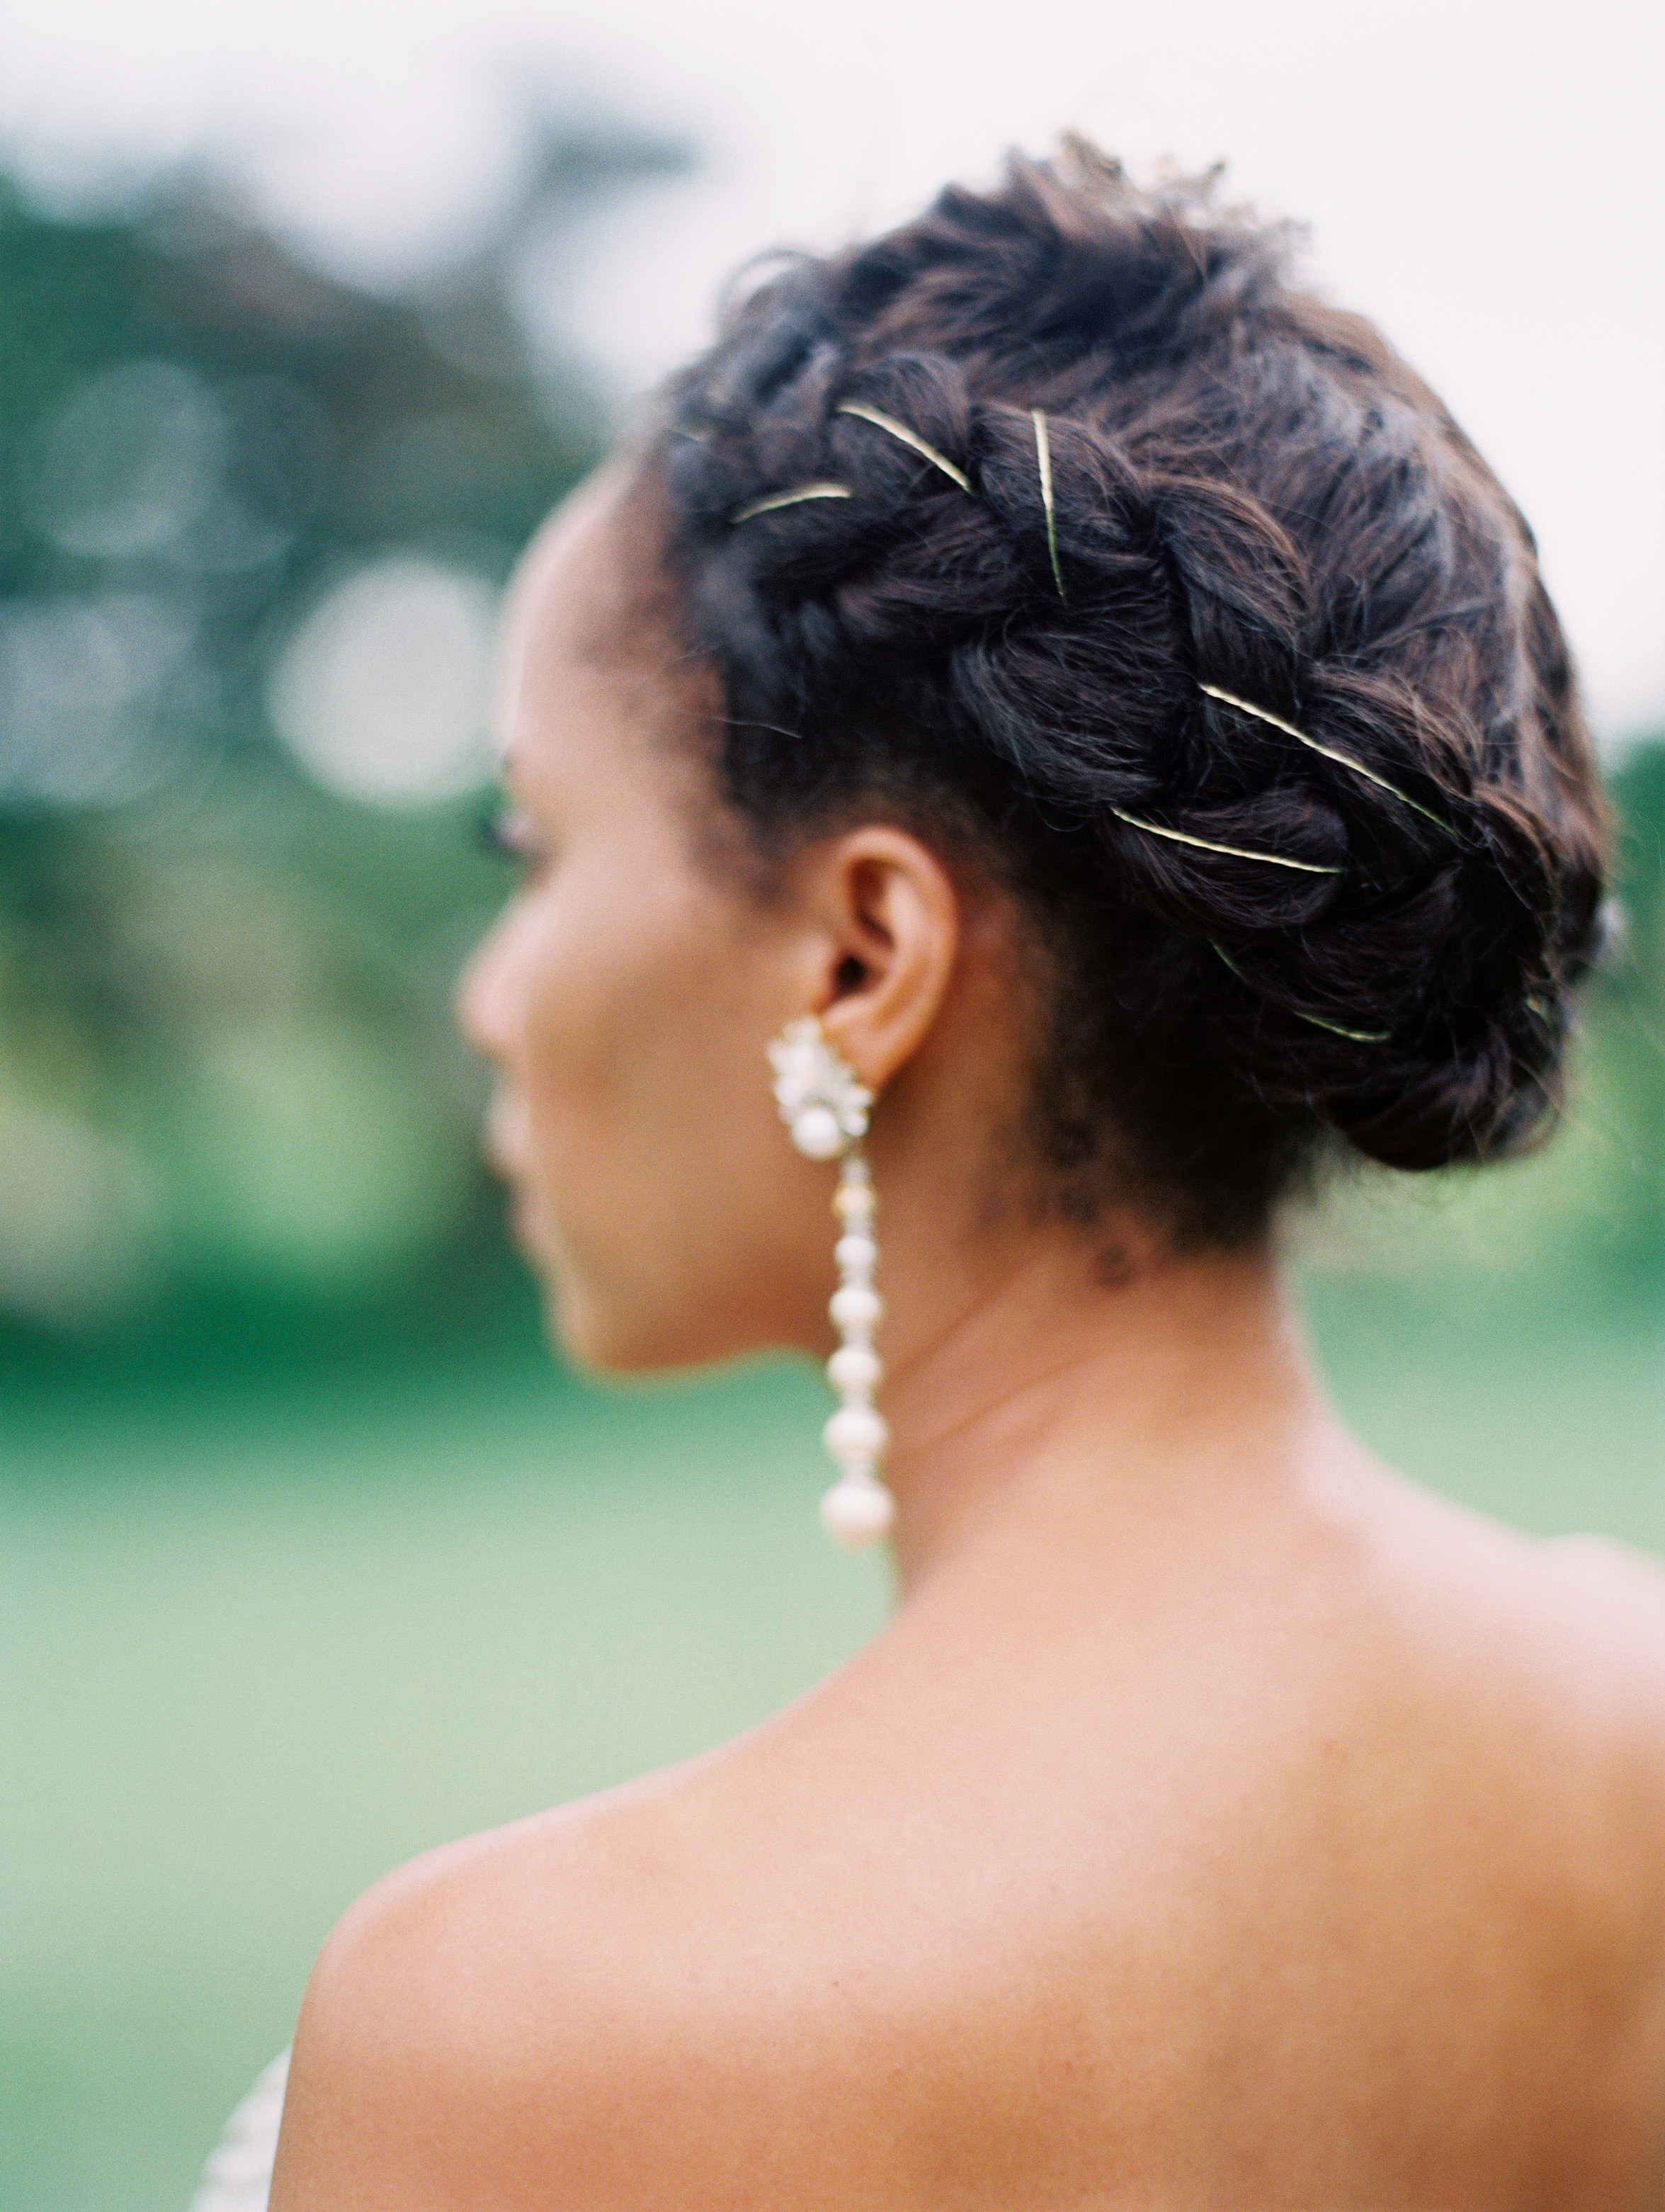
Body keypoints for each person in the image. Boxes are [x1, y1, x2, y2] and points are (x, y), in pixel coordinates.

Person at [203, 144, 1665, 2207]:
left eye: (528, 852)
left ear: (864, 957)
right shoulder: (1634, 1727)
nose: (491, 1000)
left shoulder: (530, 2025)